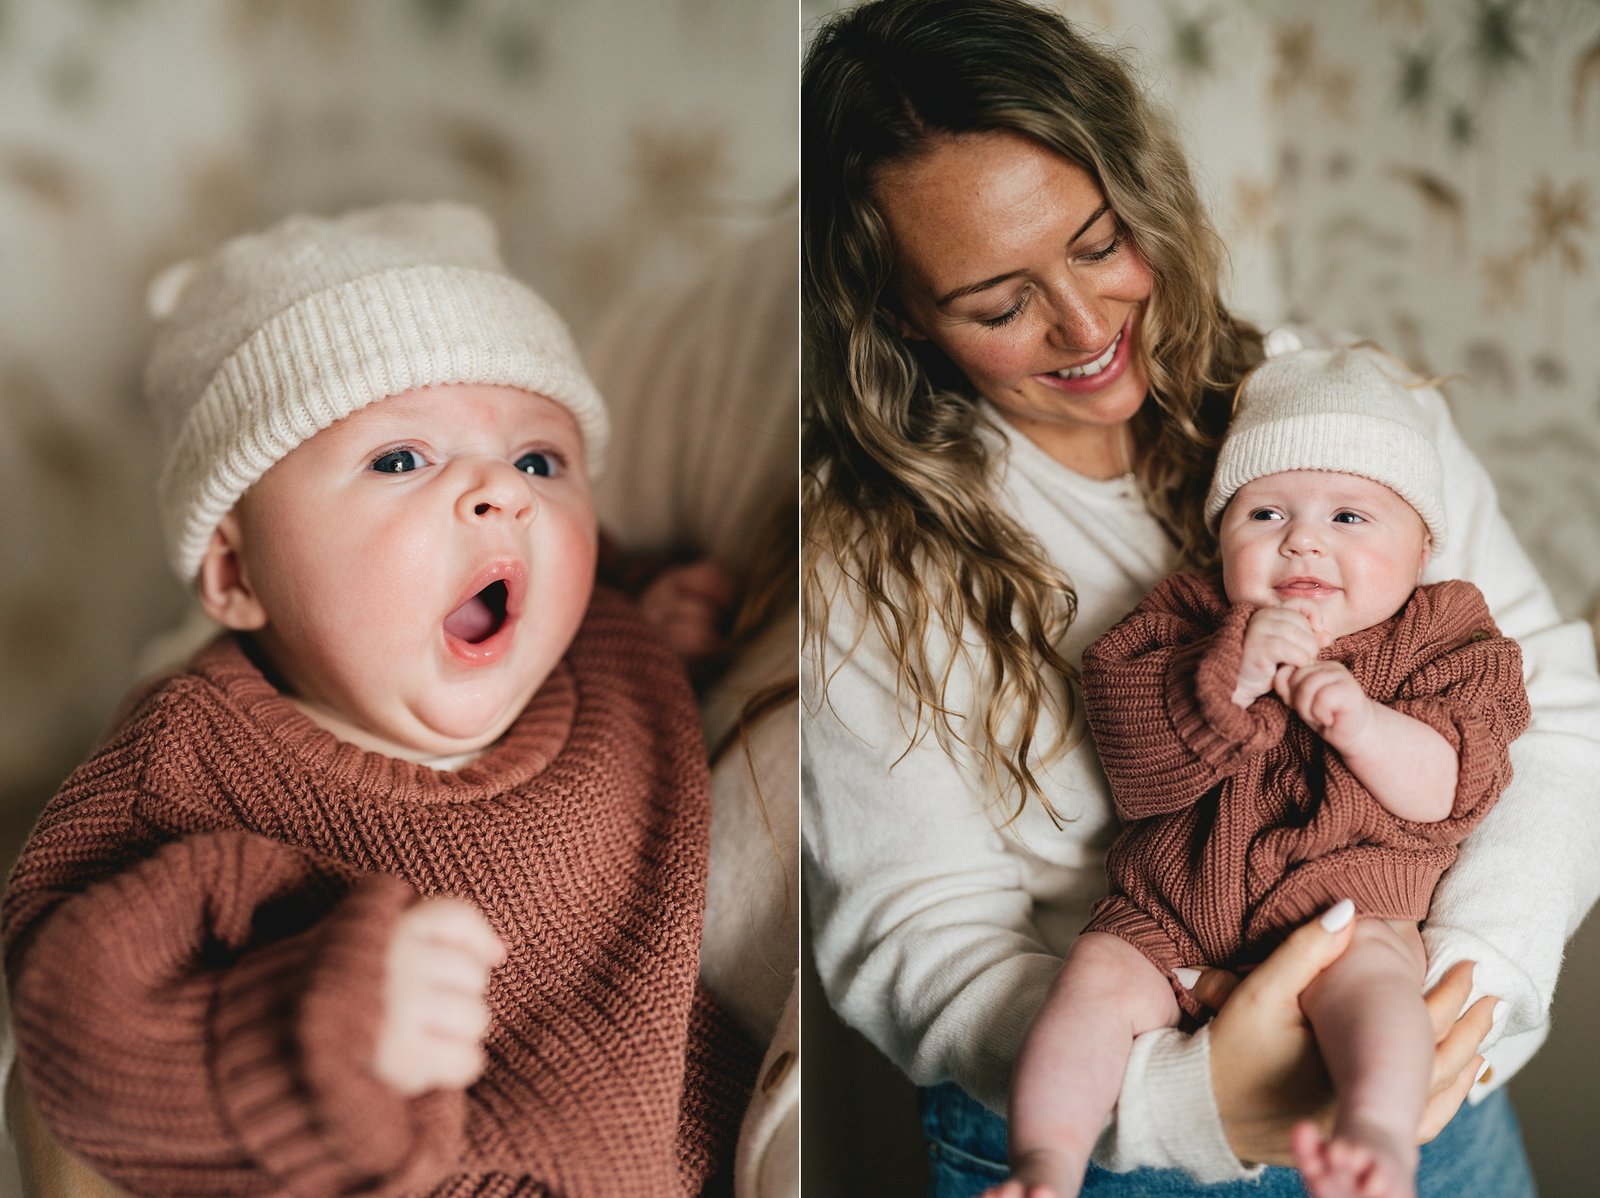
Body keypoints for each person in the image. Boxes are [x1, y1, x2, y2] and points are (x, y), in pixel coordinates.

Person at [800, 0, 1600, 1194]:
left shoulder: (1344, 419)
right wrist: (1193, 1092)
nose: (1084, 326)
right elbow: (914, 932)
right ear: (898, 313)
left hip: (1416, 1065)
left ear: (1144, 190)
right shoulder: (861, 553)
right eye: (999, 302)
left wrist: (1453, 995)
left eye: (1099, 239)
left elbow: (1549, 721)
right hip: (1114, 1126)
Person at [1, 202, 759, 1196]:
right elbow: (78, 1022)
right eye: (401, 458)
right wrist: (317, 1030)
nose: (503, 490)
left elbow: (606, 583)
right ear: (235, 575)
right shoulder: (188, 765)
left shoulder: (615, 647)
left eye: (541, 460)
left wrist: (661, 621)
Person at [994, 339, 1529, 1198]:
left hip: (1348, 907)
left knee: (1385, 990)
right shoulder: (1182, 619)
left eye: (1349, 519)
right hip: (1170, 908)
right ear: (1219, 538)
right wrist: (1232, 672)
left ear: (1422, 546)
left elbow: (1450, 787)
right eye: (1266, 515)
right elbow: (1134, 762)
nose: (1303, 545)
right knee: (1090, 981)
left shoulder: (1450, 635)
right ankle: (1046, 1162)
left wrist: (1363, 723)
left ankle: (1378, 1143)